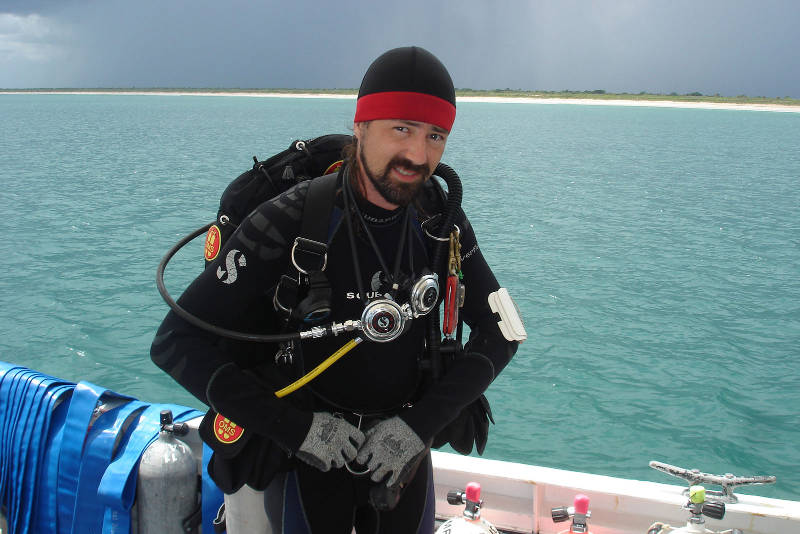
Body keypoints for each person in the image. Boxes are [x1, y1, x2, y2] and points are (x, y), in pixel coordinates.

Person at [151, 46, 524, 534]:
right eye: (401, 129)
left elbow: (503, 332)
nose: (417, 155)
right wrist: (298, 430)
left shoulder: (439, 216)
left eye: (436, 135)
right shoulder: (291, 219)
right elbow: (175, 343)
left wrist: (417, 428)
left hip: (402, 452)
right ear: (361, 125)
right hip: (310, 453)